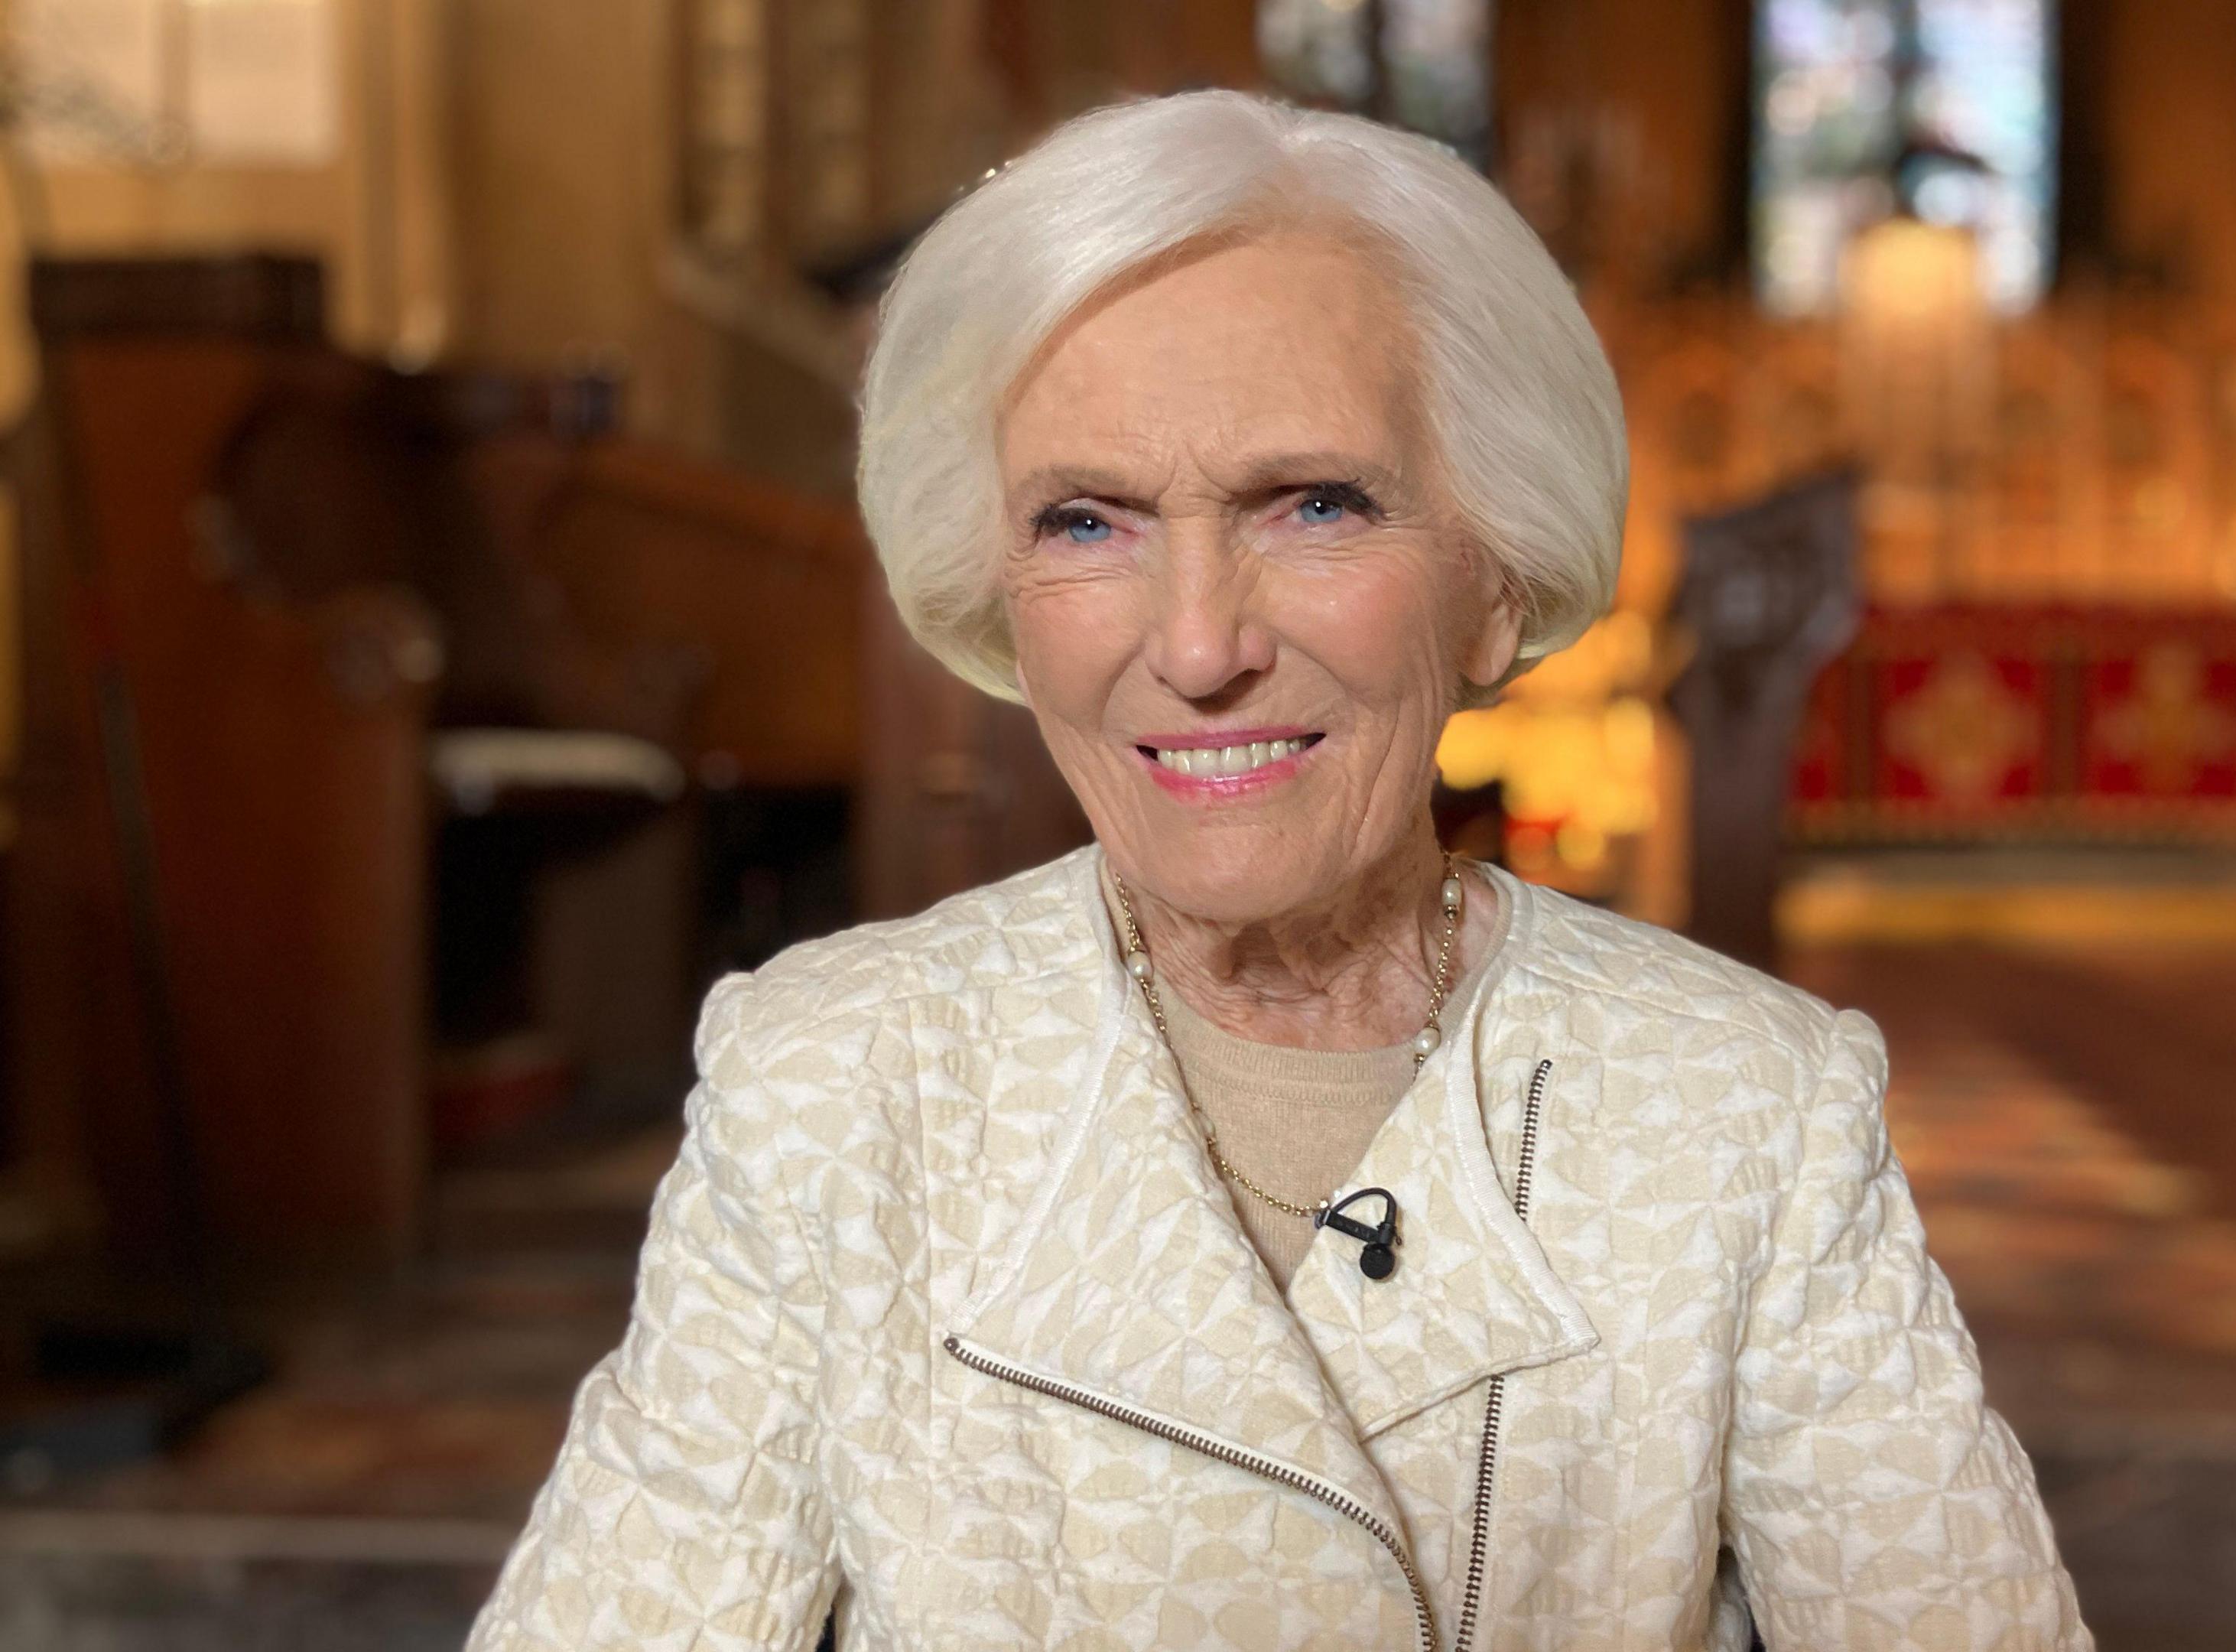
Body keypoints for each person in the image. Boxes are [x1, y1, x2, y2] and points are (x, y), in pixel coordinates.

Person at [466, 89, 2090, 1652]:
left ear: (1495, 583)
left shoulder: (1752, 1110)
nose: (1195, 645)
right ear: (1000, 592)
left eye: (1315, 504)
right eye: (1087, 523)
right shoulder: (830, 1084)